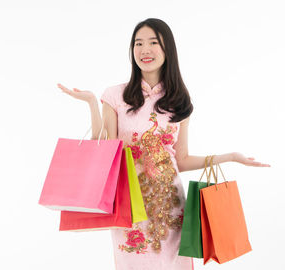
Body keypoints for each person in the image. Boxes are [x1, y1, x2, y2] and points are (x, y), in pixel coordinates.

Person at [57, 18, 270, 269]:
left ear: (167, 48)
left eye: (153, 42)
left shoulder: (179, 101)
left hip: (171, 208)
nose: (144, 50)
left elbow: (180, 160)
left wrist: (231, 156)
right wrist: (93, 103)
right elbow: (105, 150)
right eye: (138, 43)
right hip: (131, 208)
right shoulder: (115, 96)